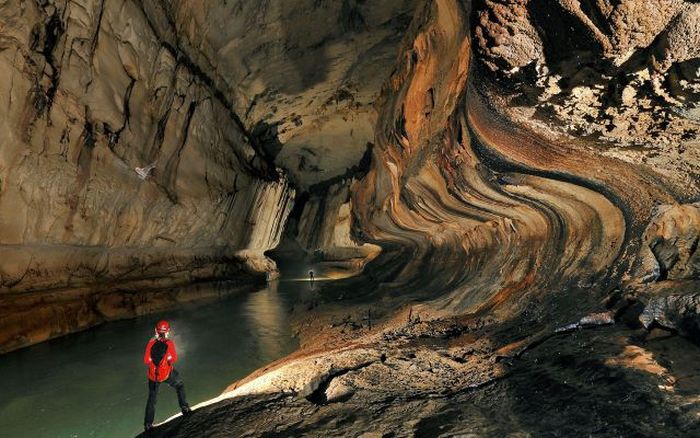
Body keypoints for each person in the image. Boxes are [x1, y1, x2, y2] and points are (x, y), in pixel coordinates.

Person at [143, 320, 191, 431]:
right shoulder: (169, 343)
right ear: (167, 331)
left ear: (156, 330)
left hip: (153, 376)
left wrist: (153, 364)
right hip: (166, 374)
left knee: (152, 399)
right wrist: (167, 359)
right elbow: (174, 358)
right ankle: (184, 407)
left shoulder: (151, 343)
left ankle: (148, 424)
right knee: (179, 385)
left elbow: (146, 360)